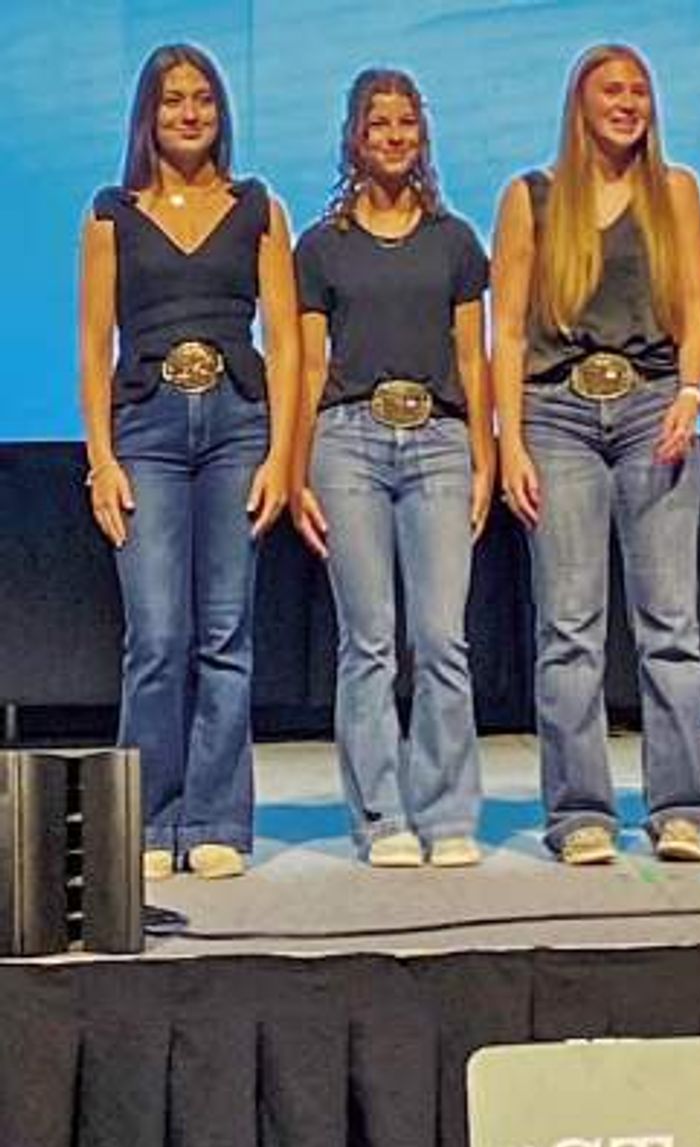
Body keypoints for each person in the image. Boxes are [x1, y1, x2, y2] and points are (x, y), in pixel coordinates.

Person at [78, 44, 298, 880]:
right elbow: (95, 344)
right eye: (173, 101)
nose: (190, 114)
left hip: (239, 425)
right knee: (158, 637)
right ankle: (148, 820)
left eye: (203, 99)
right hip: (148, 430)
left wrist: (283, 454)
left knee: (225, 633)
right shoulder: (111, 212)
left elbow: (284, 339)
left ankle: (216, 822)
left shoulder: (257, 207)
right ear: (148, 113)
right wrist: (102, 460)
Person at [492, 44, 700, 865]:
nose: (627, 103)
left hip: (656, 408)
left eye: (639, 91)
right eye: (611, 90)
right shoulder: (532, 198)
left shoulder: (676, 192)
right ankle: (580, 812)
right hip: (558, 420)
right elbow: (508, 329)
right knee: (570, 627)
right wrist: (508, 438)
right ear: (579, 104)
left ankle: (682, 807)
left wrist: (693, 396)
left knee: (670, 624)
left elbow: (697, 306)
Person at [292, 69, 494, 868]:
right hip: (348, 442)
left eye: (407, 123)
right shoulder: (321, 247)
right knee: (368, 640)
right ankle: (382, 819)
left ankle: (446, 816)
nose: (394, 137)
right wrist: (298, 466)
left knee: (442, 637)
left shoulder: (455, 241)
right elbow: (309, 366)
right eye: (379, 124)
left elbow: (474, 362)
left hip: (441, 441)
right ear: (354, 136)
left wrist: (487, 456)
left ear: (423, 134)